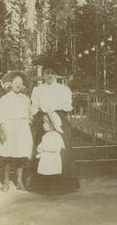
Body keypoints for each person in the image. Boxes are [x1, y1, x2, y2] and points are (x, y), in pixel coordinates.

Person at [30, 60, 80, 194]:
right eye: (47, 73)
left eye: (52, 73)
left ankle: (63, 182)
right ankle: (43, 183)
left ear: (56, 75)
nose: (50, 76)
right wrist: (40, 117)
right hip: (44, 119)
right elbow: (34, 107)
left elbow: (66, 106)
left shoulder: (63, 89)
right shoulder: (38, 89)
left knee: (61, 148)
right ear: (43, 75)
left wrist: (57, 116)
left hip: (59, 118)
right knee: (43, 147)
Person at [0, 71, 33, 192]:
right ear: (10, 84)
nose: (18, 85)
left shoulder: (26, 99)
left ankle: (19, 181)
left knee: (20, 155)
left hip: (22, 128)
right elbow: (0, 115)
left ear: (23, 85)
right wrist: (2, 131)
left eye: (20, 83)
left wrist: (27, 127)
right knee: (7, 155)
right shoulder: (5, 99)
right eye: (16, 82)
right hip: (8, 127)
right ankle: (6, 182)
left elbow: (29, 115)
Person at [36, 113, 65, 195]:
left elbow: (56, 148)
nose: (43, 125)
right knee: (46, 173)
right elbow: (42, 144)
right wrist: (39, 148)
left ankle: (53, 189)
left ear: (51, 125)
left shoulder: (56, 136)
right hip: (46, 158)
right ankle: (47, 189)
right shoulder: (45, 135)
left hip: (52, 158)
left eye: (44, 123)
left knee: (53, 173)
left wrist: (44, 149)